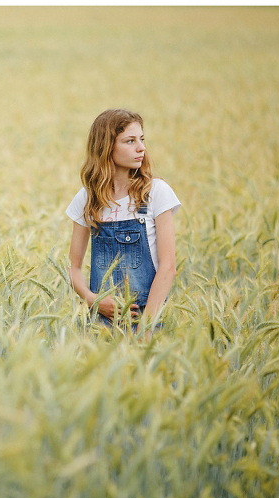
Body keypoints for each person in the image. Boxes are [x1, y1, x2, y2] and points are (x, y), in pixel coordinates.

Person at [65, 109, 181, 333]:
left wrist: (146, 328)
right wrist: (93, 300)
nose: (141, 148)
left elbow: (168, 267)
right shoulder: (88, 199)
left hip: (148, 318)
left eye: (141, 139)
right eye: (130, 141)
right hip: (101, 325)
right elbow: (73, 267)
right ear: (107, 147)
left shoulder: (156, 192)